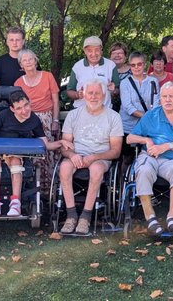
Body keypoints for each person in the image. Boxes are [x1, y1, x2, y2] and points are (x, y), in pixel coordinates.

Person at [0, 90, 71, 218]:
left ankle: (15, 202)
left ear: (30, 103)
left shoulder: (34, 120)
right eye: (19, 108)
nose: (24, 111)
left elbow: (46, 144)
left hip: (17, 152)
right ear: (12, 109)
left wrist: (61, 142)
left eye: (26, 105)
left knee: (16, 162)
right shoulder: (3, 115)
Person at [127, 82, 173, 236]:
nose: (167, 100)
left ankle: (171, 218)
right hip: (150, 157)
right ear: (160, 99)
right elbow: (130, 138)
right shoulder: (151, 115)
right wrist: (146, 140)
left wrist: (167, 146)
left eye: (171, 96)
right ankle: (150, 218)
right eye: (164, 97)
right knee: (144, 170)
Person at [58, 79, 124, 234]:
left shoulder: (113, 117)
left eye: (97, 93)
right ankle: (71, 215)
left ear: (103, 95)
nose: (94, 96)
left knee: (95, 169)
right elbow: (64, 146)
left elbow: (115, 151)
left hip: (101, 157)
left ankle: (85, 217)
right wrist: (72, 155)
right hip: (77, 155)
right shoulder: (73, 115)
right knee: (65, 167)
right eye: (90, 93)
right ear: (84, 95)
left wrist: (94, 157)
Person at [13, 48, 61, 195]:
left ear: (35, 60)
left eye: (30, 59)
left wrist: (55, 120)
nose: (28, 62)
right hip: (27, 119)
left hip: (47, 118)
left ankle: (50, 192)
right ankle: (33, 191)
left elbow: (55, 101)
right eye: (24, 60)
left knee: (48, 153)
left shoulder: (47, 76)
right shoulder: (18, 82)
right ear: (21, 65)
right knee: (32, 156)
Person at [119, 52, 159, 158]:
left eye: (139, 64)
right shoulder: (125, 83)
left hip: (147, 128)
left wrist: (149, 118)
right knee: (127, 159)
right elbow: (128, 106)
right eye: (133, 65)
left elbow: (156, 103)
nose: (136, 67)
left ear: (144, 64)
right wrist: (147, 116)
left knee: (147, 156)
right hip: (128, 127)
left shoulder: (153, 82)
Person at [67, 36, 119, 109]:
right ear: (85, 51)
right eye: (90, 50)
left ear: (101, 50)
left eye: (97, 50)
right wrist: (77, 95)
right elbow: (69, 91)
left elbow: (117, 91)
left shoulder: (111, 65)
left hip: (104, 111)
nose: (94, 54)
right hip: (81, 111)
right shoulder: (77, 67)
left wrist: (113, 90)